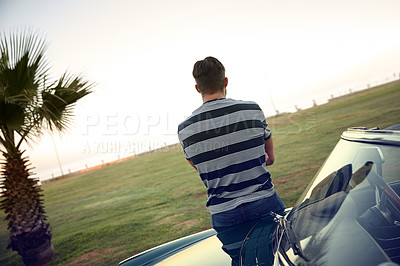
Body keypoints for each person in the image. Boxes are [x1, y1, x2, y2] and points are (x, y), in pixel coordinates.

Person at [177, 56, 285, 229]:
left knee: (239, 257)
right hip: (264, 202)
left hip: (223, 214)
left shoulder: (184, 129)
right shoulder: (252, 110)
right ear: (225, 81)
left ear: (198, 88)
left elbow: (203, 170)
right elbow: (270, 159)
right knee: (280, 252)